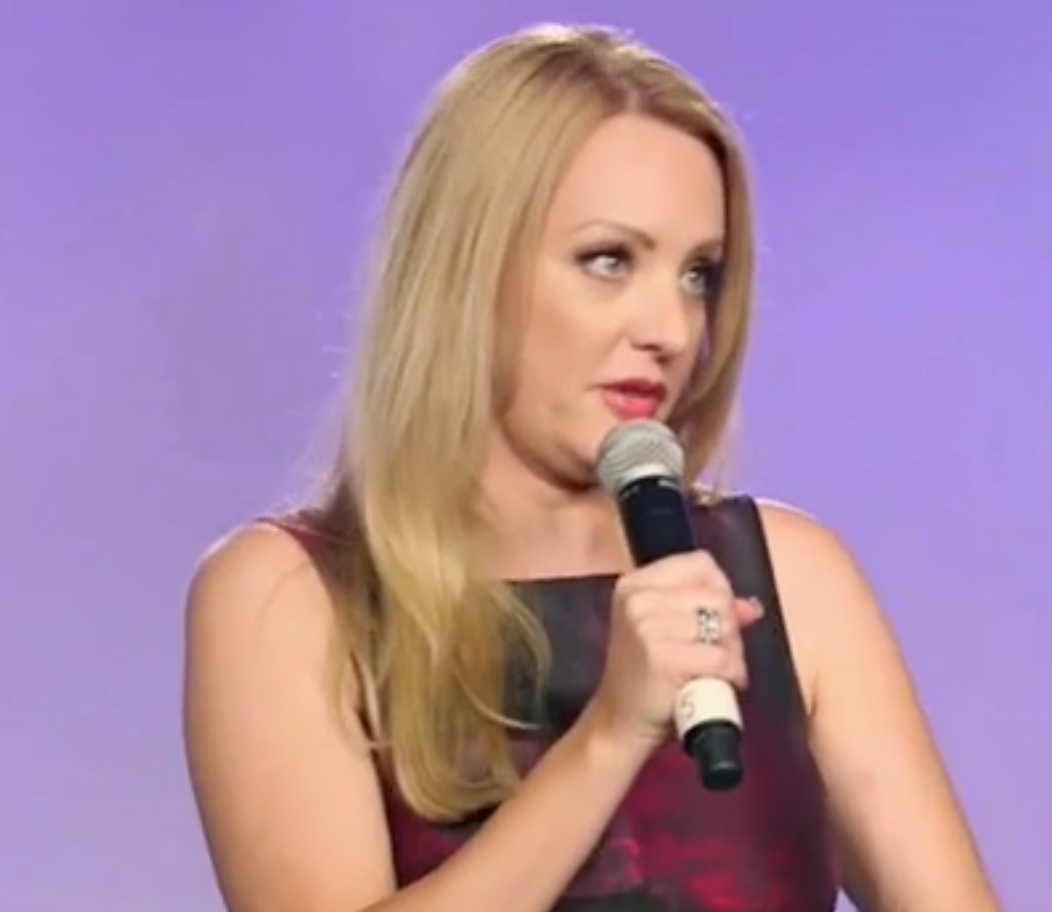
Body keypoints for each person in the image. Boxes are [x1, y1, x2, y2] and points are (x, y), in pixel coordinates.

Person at [182, 23, 1001, 912]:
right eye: (609, 261)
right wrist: (609, 737)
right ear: (466, 271)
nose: (672, 330)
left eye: (699, 274)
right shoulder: (289, 598)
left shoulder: (792, 579)